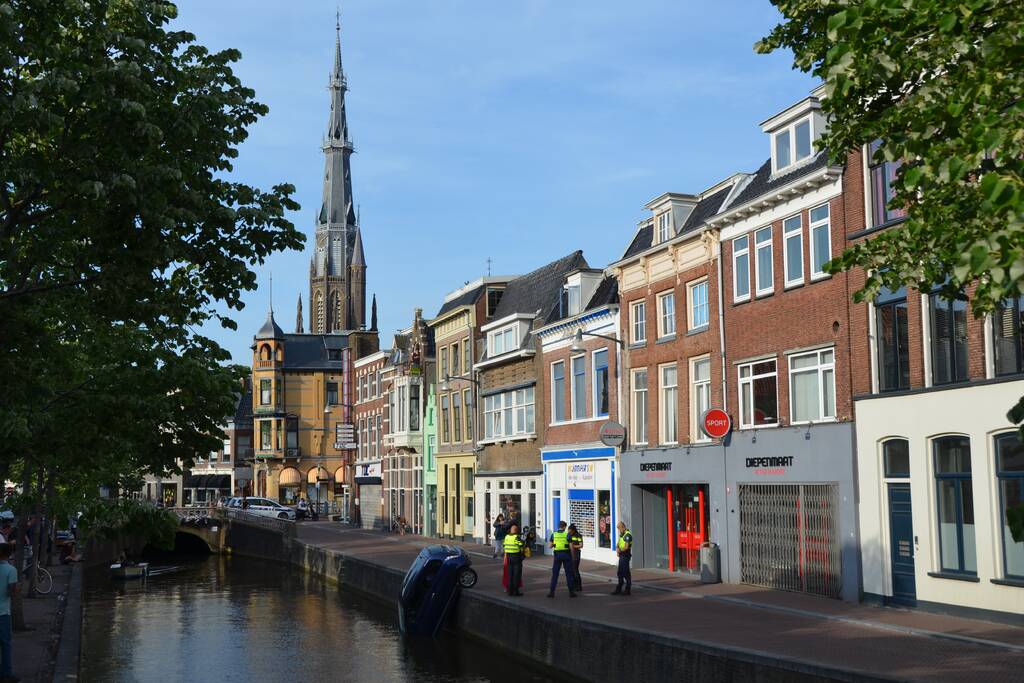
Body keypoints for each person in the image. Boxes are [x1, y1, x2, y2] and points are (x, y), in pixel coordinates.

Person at [547, 521, 576, 598]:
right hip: (566, 555)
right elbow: (571, 547)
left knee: (555, 574)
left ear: (559, 526)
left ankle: (552, 592)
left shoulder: (554, 534)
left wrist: (555, 544)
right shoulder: (567, 534)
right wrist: (573, 556)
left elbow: (550, 546)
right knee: (569, 574)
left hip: (557, 555)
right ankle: (571, 592)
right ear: (564, 527)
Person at [0, 543, 15, 682]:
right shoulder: (11, 570)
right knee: (5, 644)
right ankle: (7, 673)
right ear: (9, 554)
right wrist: (17, 588)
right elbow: (11, 591)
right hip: (3, 613)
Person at [611, 520, 633, 596]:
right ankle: (619, 588)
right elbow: (618, 543)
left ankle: (627, 590)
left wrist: (620, 550)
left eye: (619, 528)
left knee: (626, 573)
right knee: (620, 573)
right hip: (622, 556)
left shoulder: (628, 535)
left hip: (625, 556)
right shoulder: (622, 535)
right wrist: (617, 548)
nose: (619, 530)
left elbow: (626, 547)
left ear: (623, 527)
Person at [503, 523, 525, 596]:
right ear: (516, 530)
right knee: (516, 574)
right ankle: (515, 591)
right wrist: (523, 541)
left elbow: (504, 545)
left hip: (509, 557)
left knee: (510, 574)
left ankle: (510, 591)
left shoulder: (506, 537)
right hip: (516, 557)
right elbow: (521, 544)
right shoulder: (516, 537)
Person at [567, 524, 583, 592]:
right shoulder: (568, 535)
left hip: (576, 554)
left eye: (570, 531)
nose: (569, 532)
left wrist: (573, 546)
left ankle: (579, 586)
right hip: (569, 554)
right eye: (568, 531)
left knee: (575, 570)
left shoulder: (578, 535)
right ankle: (573, 585)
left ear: (573, 530)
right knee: (571, 570)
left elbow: (581, 545)